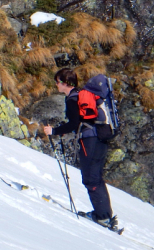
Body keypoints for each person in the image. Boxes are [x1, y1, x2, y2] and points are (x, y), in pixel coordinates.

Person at [44, 68, 115, 228]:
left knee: (90, 178)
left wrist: (54, 131)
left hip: (89, 140)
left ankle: (103, 217)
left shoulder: (72, 99)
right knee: (96, 177)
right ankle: (105, 215)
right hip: (100, 137)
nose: (56, 84)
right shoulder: (83, 95)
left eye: (57, 81)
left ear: (64, 83)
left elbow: (74, 123)